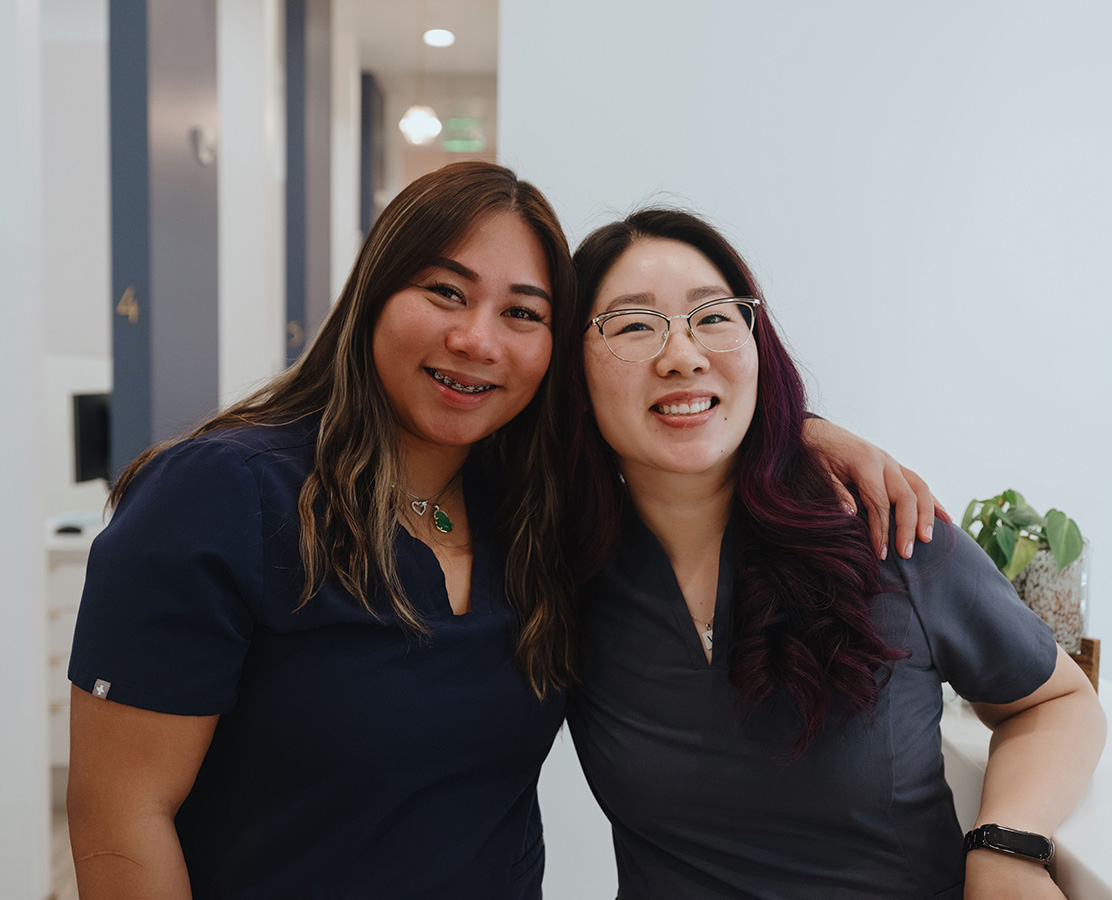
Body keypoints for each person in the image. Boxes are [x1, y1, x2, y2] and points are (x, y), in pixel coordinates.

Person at [67, 162, 938, 900]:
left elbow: (668, 423)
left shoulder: (535, 510)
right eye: (444, 292)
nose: (476, 339)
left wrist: (799, 434)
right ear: (373, 293)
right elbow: (118, 817)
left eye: (523, 314)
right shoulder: (221, 495)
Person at [561, 208, 1106, 900]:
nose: (683, 355)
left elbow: (1056, 699)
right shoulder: (561, 573)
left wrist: (1008, 845)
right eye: (634, 325)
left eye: (716, 317)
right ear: (573, 370)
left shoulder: (881, 530)